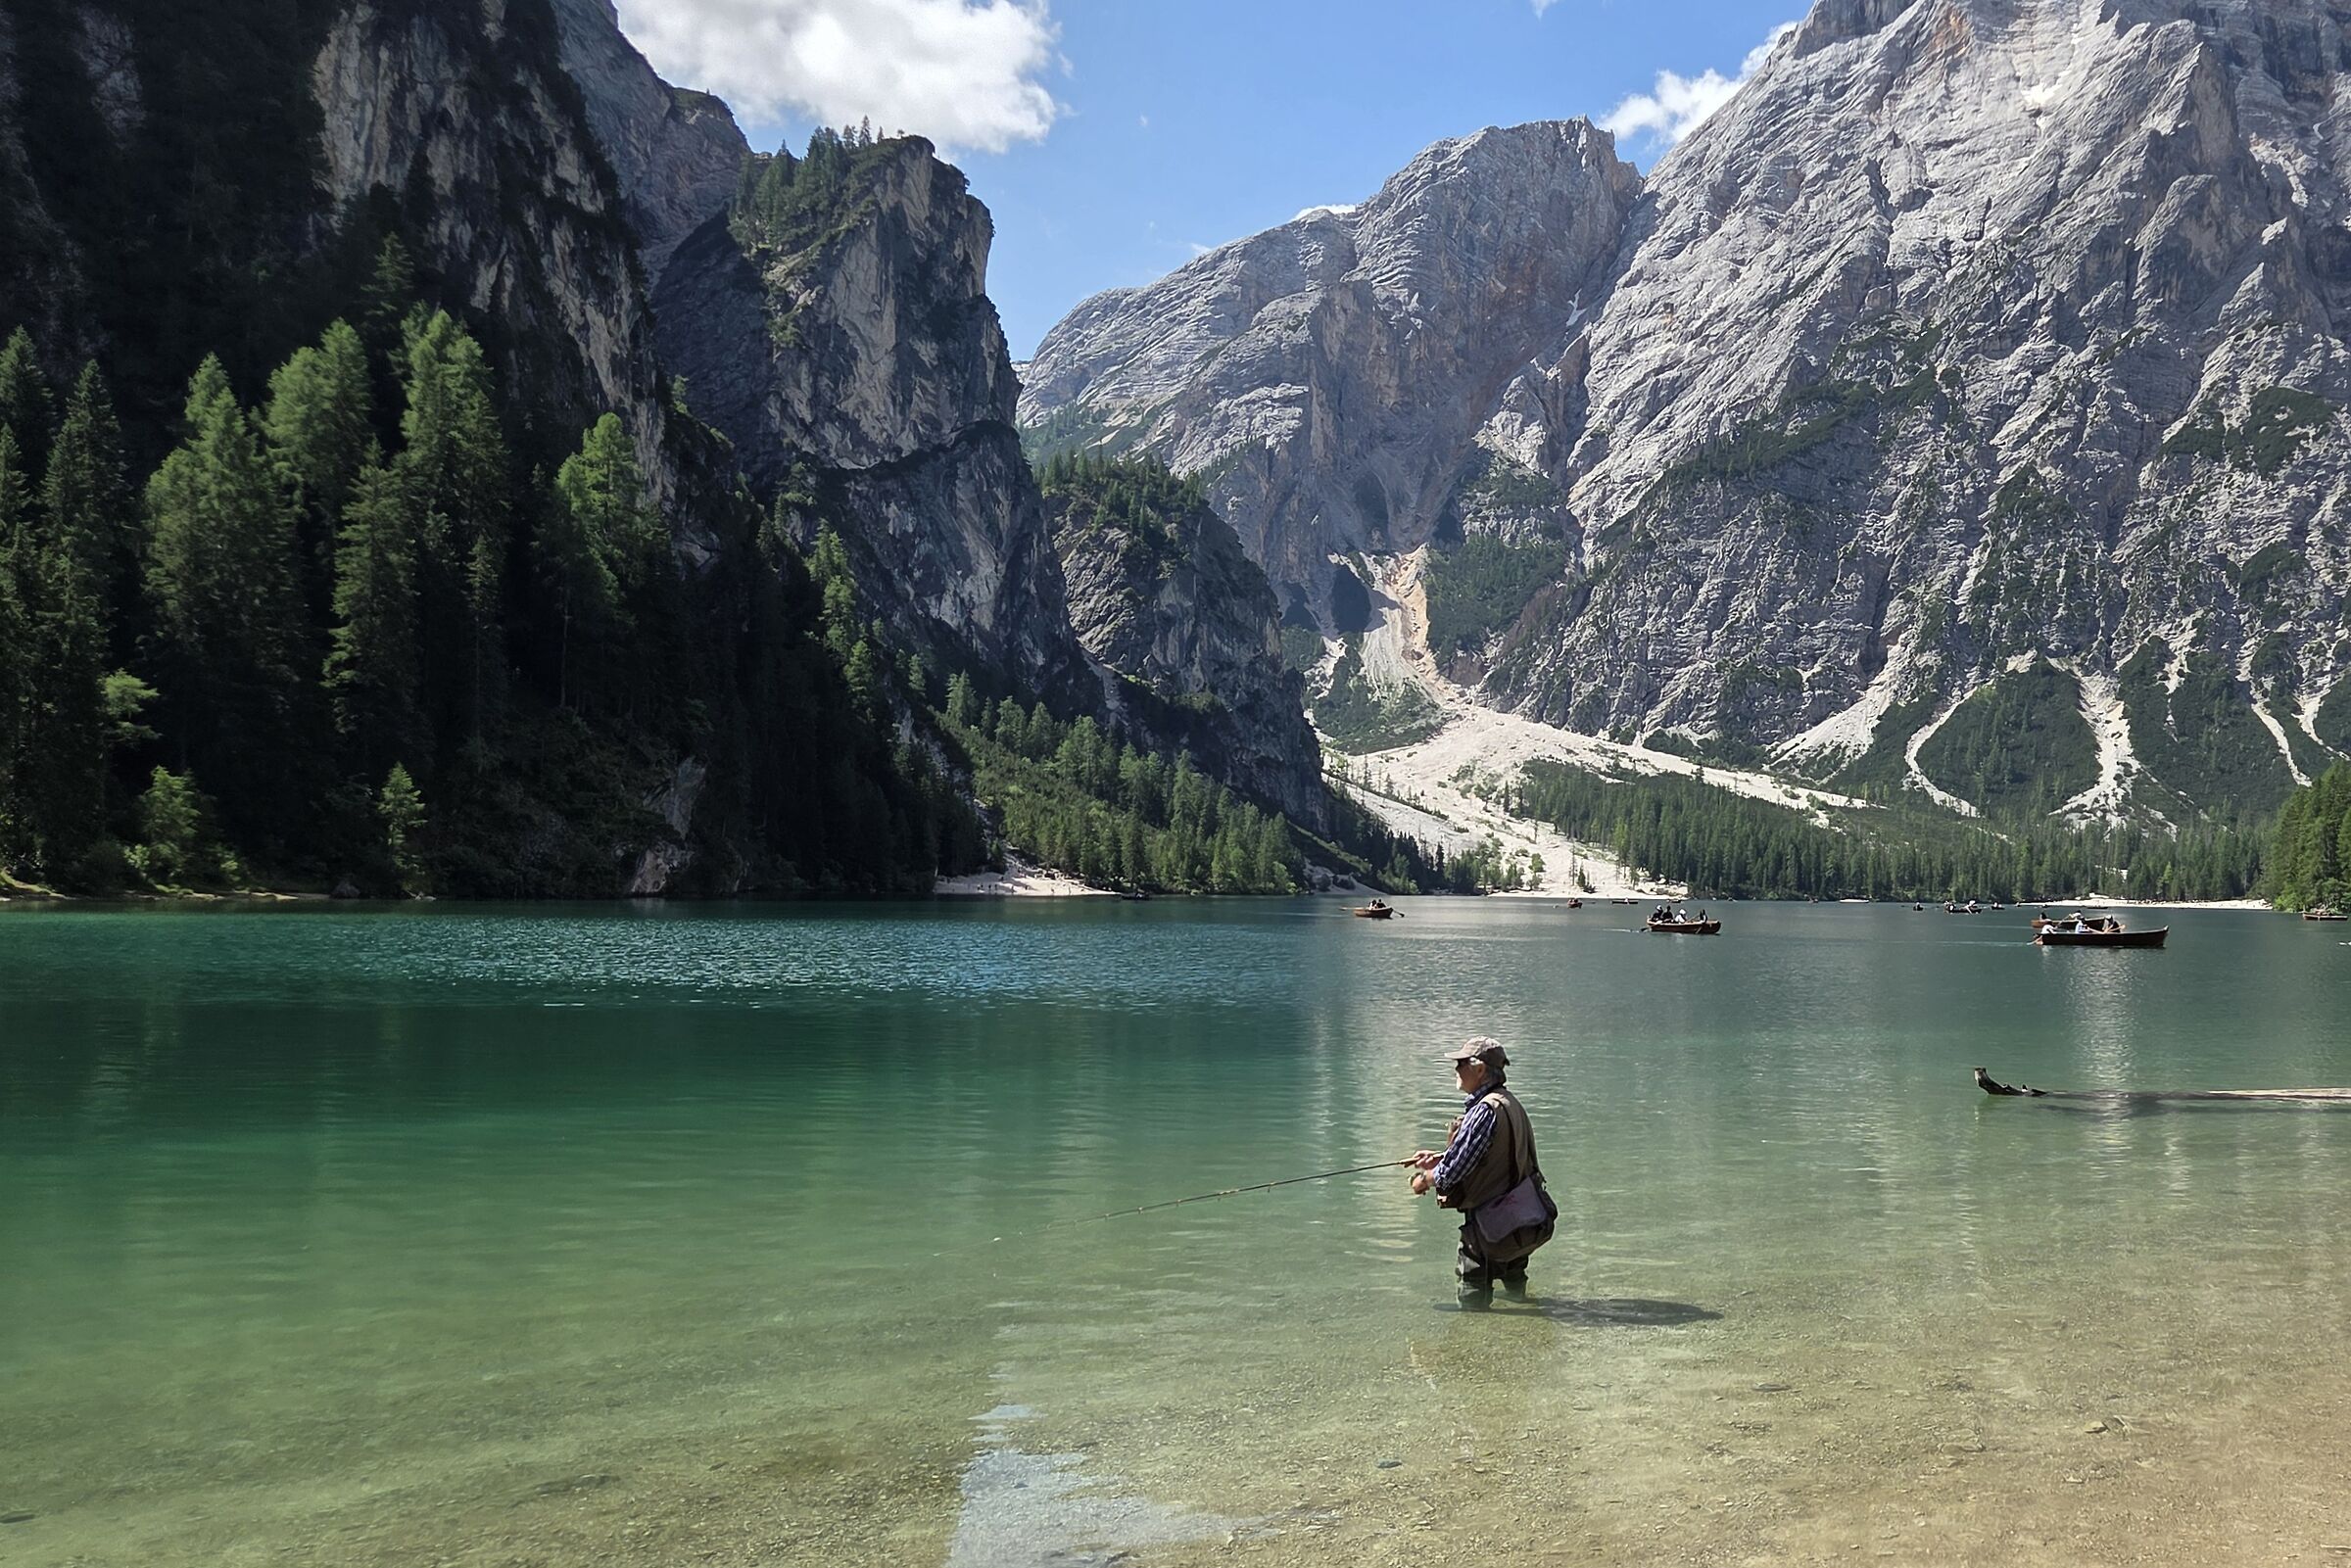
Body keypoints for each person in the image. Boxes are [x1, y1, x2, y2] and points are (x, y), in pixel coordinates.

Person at [1408, 1037, 1557, 1309]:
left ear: (1479, 1069)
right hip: (1520, 1217)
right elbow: (1495, 1155)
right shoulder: (1509, 1101)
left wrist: (1423, 1180)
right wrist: (1439, 1158)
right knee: (1514, 1279)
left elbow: (1452, 1173)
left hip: (1490, 1226)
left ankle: (1474, 1330)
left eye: (1461, 1063)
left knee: (1472, 1286)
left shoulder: (1484, 1111)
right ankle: (1521, 1322)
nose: (1456, 1069)